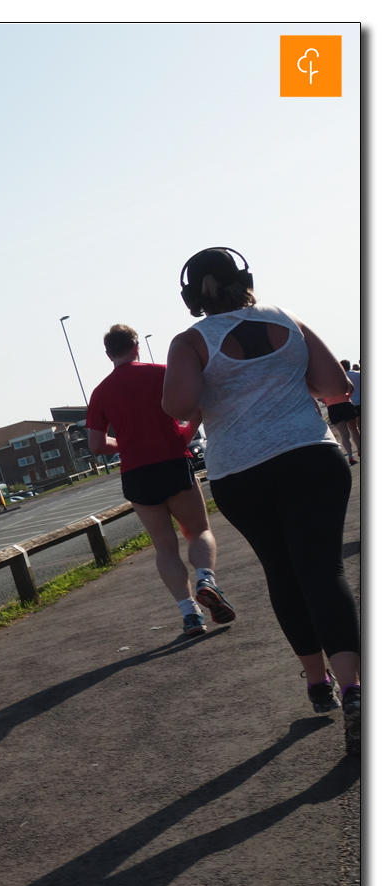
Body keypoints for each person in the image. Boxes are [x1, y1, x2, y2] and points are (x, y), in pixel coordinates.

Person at [162, 247, 360, 754]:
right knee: (323, 570)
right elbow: (336, 387)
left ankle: (318, 684)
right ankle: (355, 690)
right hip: (313, 459)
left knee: (283, 571)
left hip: (243, 474)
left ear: (190, 296)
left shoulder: (190, 341)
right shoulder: (287, 320)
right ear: (245, 278)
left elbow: (179, 406)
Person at [86, 324, 235, 635]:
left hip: (137, 473)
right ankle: (206, 580)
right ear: (136, 346)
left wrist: (123, 445)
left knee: (164, 546)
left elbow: (97, 445)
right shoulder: (162, 373)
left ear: (108, 354)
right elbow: (198, 403)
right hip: (172, 461)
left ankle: (190, 615)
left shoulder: (100, 392)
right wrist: (187, 430)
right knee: (198, 531)